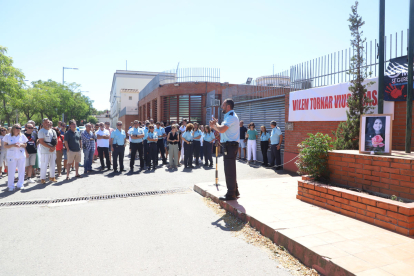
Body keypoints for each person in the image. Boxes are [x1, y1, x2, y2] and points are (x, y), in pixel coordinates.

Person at [210, 99, 240, 200]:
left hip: (230, 146)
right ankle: (235, 191)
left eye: (223, 105)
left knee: (229, 170)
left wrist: (216, 125)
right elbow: (221, 130)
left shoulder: (231, 117)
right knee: (230, 169)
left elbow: (222, 129)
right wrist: (214, 126)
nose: (221, 107)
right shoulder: (228, 116)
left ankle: (231, 194)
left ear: (228, 107)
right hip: (229, 146)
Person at [2, 124, 28, 191]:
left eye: (19, 128)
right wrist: (13, 145)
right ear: (13, 129)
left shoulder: (22, 136)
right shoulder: (8, 136)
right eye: (17, 128)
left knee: (21, 170)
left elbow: (25, 144)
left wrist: (21, 144)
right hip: (11, 156)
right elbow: (5, 146)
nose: (19, 129)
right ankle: (11, 186)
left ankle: (20, 184)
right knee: (11, 171)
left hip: (21, 155)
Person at [38, 118, 57, 184]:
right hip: (45, 150)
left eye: (48, 122)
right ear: (43, 123)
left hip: (53, 150)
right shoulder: (41, 131)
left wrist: (53, 147)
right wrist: (50, 147)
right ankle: (42, 178)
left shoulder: (53, 131)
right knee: (44, 164)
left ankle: (52, 177)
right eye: (46, 122)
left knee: (52, 164)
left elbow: (55, 140)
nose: (47, 124)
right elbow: (41, 141)